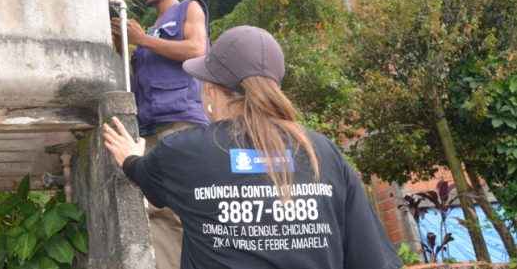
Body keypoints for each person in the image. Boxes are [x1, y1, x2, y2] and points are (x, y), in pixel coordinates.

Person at [102, 26, 402, 269]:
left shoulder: (183, 152)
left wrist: (129, 155)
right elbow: (371, 257)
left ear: (210, 90)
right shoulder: (323, 152)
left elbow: (139, 170)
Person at [113, 0, 211, 268]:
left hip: (182, 123)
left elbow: (197, 50)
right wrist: (123, 46)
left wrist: (142, 40)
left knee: (188, 205)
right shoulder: (148, 29)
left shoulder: (188, 9)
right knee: (157, 210)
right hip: (151, 129)